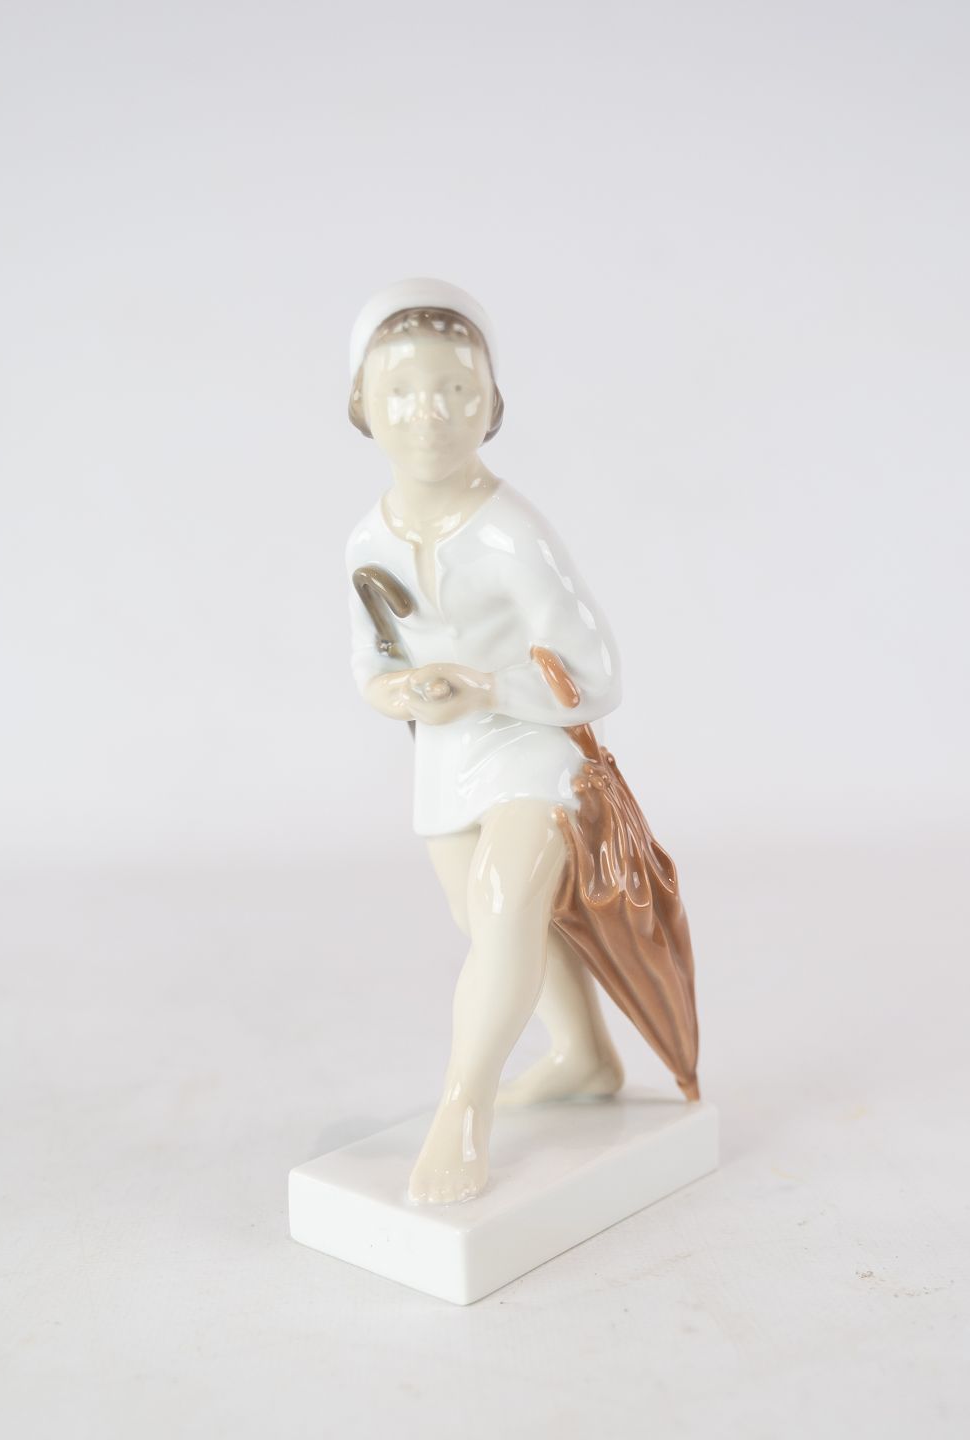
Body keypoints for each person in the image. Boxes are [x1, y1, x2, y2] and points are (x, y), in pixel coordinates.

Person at [345, 278, 626, 1203]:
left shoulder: (511, 532)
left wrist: (489, 687)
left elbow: (596, 671)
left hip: (530, 745)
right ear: (362, 406)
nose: (429, 413)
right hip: (444, 759)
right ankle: (584, 1056)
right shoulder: (366, 541)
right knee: (496, 931)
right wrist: (399, 690)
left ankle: (460, 1117)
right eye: (401, 393)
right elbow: (371, 660)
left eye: (456, 389)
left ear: (491, 404)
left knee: (505, 911)